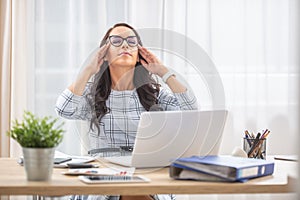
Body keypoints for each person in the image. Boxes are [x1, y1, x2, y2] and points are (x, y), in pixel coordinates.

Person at [55, 23, 198, 200]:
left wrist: (163, 71)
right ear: (104, 54)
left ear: (139, 54)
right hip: (105, 174)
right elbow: (64, 109)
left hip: (147, 173)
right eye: (116, 40)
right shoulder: (93, 94)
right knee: (132, 190)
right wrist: (88, 70)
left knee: (137, 189)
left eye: (131, 41)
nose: (125, 45)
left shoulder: (155, 94)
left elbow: (191, 111)